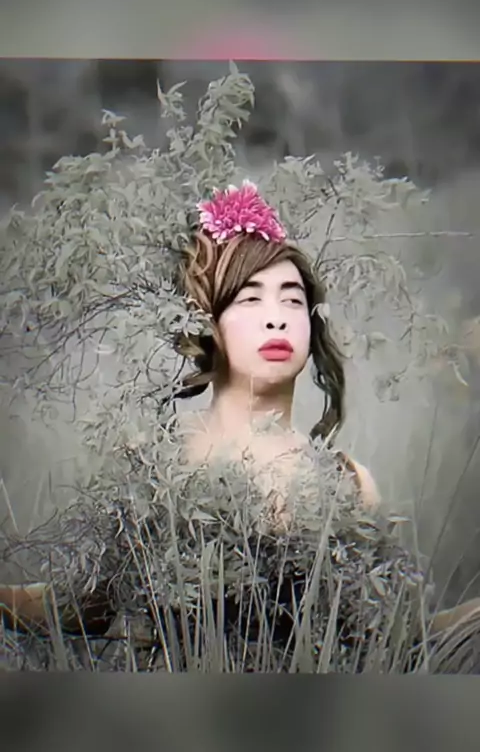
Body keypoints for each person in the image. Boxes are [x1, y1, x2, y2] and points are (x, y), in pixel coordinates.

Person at [0, 181, 478, 646]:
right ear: (206, 322)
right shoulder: (160, 465)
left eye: (293, 300)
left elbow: (397, 634)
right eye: (249, 298)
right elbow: (83, 606)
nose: (277, 317)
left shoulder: (349, 482)